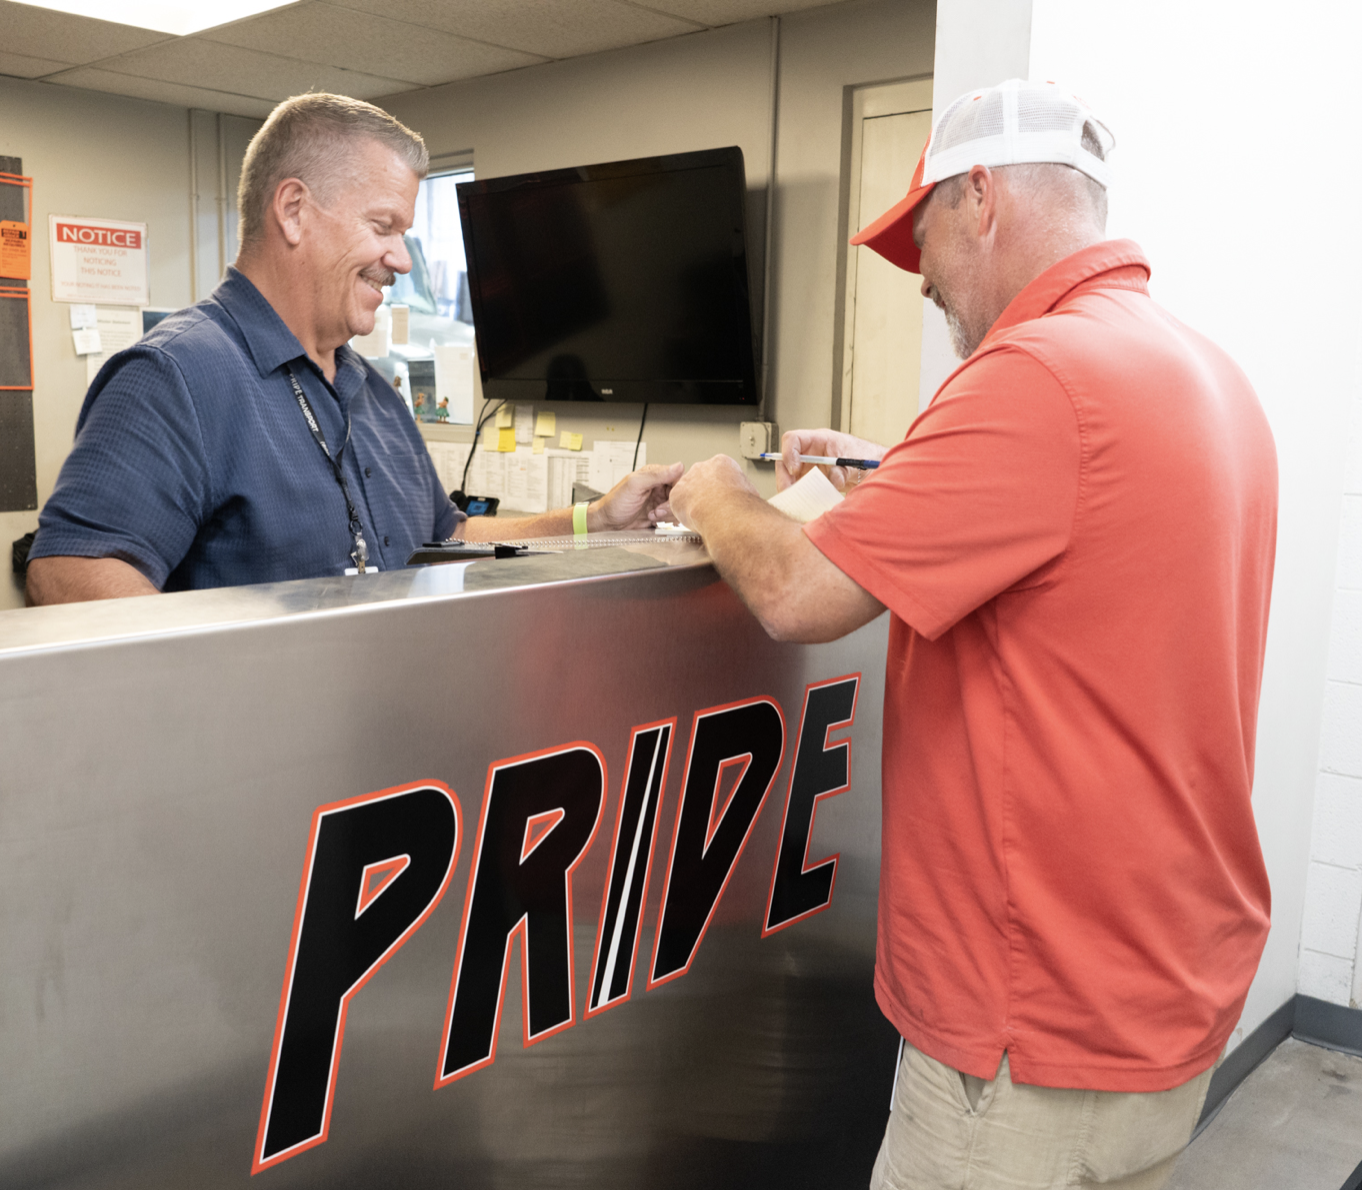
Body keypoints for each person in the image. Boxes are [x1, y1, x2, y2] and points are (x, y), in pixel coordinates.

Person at [668, 79, 1276, 1189]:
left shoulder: (1032, 375)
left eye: (926, 239)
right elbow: (1082, 555)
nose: (927, 281)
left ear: (981, 199)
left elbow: (798, 593)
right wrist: (901, 479)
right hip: (1164, 989)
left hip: (1030, 1032)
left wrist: (713, 489)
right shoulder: (1197, 369)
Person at [26, 93, 678, 606]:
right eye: (382, 226)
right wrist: (220, 698)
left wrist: (595, 520)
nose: (400, 258)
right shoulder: (175, 377)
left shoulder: (372, 395)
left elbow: (446, 539)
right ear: (293, 210)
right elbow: (69, 573)